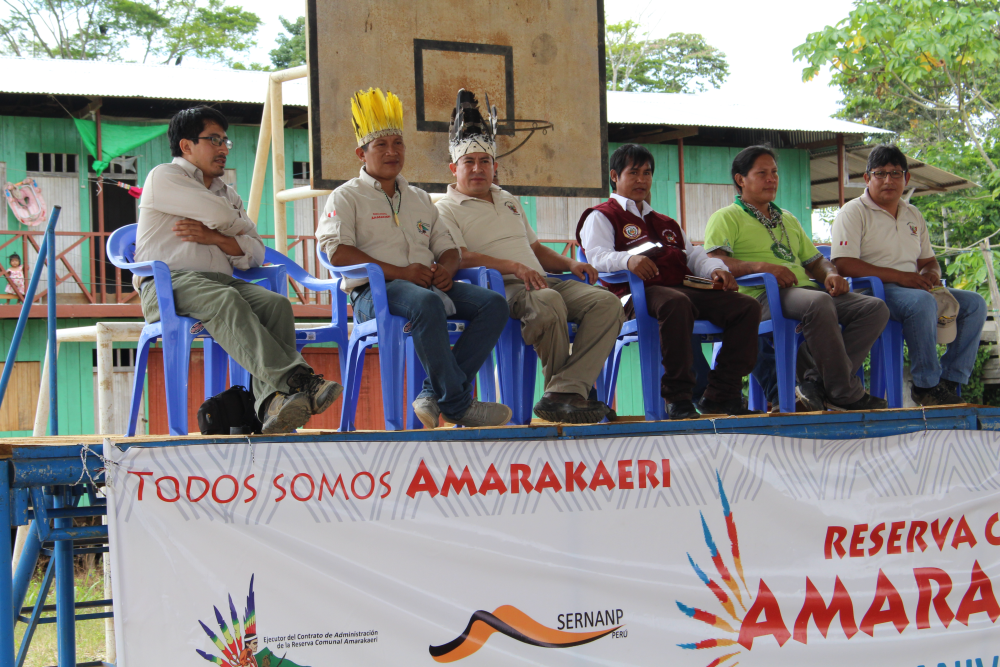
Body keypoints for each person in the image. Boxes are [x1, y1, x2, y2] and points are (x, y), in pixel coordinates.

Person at [136, 106, 342, 434]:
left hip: (219, 282)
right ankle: (299, 381)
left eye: (225, 141)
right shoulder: (165, 177)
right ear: (186, 146)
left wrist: (216, 237)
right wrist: (235, 224)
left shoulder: (226, 193)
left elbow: (255, 253)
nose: (223, 149)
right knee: (225, 300)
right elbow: (222, 217)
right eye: (213, 140)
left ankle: (272, 406)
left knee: (276, 305)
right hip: (167, 285)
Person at [317, 88, 511, 429]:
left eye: (398, 143)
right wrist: (401, 272)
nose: (392, 152)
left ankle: (434, 394)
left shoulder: (420, 198)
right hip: (372, 294)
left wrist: (446, 270)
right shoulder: (346, 197)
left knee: (493, 304)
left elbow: (447, 248)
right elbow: (337, 252)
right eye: (381, 145)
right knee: (426, 303)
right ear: (362, 153)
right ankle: (457, 404)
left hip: (425, 286)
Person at [436, 90, 624, 423]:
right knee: (548, 302)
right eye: (469, 162)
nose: (478, 168)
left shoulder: (507, 199)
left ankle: (563, 392)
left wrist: (570, 264)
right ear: (454, 168)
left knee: (608, 304)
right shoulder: (445, 208)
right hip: (500, 288)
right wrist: (513, 267)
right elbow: (458, 258)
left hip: (541, 278)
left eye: (485, 162)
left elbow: (535, 249)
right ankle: (570, 396)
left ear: (494, 166)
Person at [577, 143, 762, 419]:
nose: (642, 180)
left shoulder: (665, 222)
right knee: (676, 303)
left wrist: (716, 269)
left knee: (746, 307)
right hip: (634, 295)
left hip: (680, 290)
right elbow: (597, 257)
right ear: (615, 176)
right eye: (634, 173)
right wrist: (628, 261)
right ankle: (678, 399)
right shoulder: (601, 215)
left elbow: (694, 255)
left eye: (647, 173)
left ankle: (721, 395)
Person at [704, 144, 889, 412]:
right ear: (740, 179)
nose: (771, 179)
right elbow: (715, 261)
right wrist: (764, 267)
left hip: (805, 293)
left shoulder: (787, 218)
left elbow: (815, 261)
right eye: (762, 173)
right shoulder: (726, 217)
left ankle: (815, 383)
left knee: (874, 308)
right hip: (761, 297)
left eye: (774, 172)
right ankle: (843, 392)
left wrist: (831, 274)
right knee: (818, 303)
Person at [832, 144, 986, 406]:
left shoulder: (913, 214)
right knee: (921, 302)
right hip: (872, 292)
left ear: (906, 178)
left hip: (912, 289)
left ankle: (948, 381)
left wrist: (931, 274)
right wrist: (901, 277)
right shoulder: (853, 212)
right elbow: (844, 264)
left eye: (895, 173)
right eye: (880, 174)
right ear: (867, 178)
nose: (888, 180)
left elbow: (928, 261)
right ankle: (925, 386)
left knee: (975, 304)